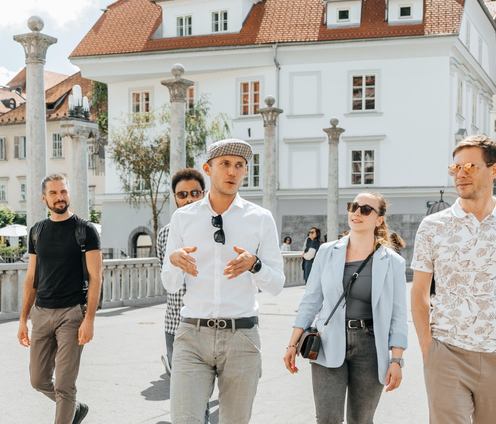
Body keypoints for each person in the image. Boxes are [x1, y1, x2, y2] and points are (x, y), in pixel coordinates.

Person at [411, 135, 496, 423]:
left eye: (470, 166)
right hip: (447, 354)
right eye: (455, 168)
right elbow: (419, 291)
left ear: (494, 170)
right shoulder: (433, 226)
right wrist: (428, 349)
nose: (461, 174)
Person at [163, 139, 285, 423]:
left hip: (241, 336)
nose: (233, 171)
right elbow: (170, 285)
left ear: (245, 171)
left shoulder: (260, 219)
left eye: (239, 166)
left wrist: (255, 265)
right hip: (192, 335)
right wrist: (174, 262)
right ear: (208, 168)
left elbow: (277, 284)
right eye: (225, 164)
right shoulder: (183, 218)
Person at [284, 192, 408, 423]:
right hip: (328, 340)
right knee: (327, 418)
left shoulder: (392, 262)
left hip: (371, 346)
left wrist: (396, 360)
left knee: (361, 419)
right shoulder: (327, 251)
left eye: (365, 209)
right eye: (353, 207)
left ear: (379, 219)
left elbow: (398, 315)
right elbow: (311, 301)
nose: (357, 213)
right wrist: (293, 343)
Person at [18, 174, 102, 424]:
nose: (60, 197)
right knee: (38, 380)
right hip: (41, 314)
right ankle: (73, 409)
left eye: (63, 192)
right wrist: (23, 319)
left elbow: (96, 277)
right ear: (44, 198)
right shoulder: (37, 231)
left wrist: (89, 320)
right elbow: (31, 277)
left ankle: (68, 406)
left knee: (65, 386)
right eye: (53, 193)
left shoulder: (85, 230)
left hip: (72, 314)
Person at [155, 168, 211, 422]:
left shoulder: (216, 230)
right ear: (175, 198)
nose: (188, 199)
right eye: (182, 194)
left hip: (209, 322)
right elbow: (167, 279)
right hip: (175, 324)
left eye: (195, 193)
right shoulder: (165, 234)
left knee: (201, 399)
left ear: (204, 193)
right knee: (186, 397)